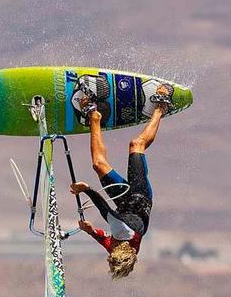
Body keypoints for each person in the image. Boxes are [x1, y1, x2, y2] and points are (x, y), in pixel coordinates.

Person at [70, 83, 171, 279]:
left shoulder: (117, 249)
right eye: (113, 249)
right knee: (136, 144)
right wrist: (86, 189)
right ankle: (161, 107)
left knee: (99, 165)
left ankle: (94, 116)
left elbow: (104, 240)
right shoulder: (123, 232)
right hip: (140, 196)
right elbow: (104, 209)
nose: (111, 247)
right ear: (123, 249)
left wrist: (91, 231)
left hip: (123, 201)